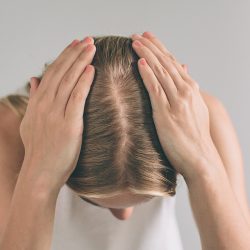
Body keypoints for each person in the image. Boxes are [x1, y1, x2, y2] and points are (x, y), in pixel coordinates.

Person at [0, 31, 249, 250]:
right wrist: (40, 173)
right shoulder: (8, 132)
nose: (124, 216)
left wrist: (202, 164)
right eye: (91, 201)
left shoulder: (200, 119)